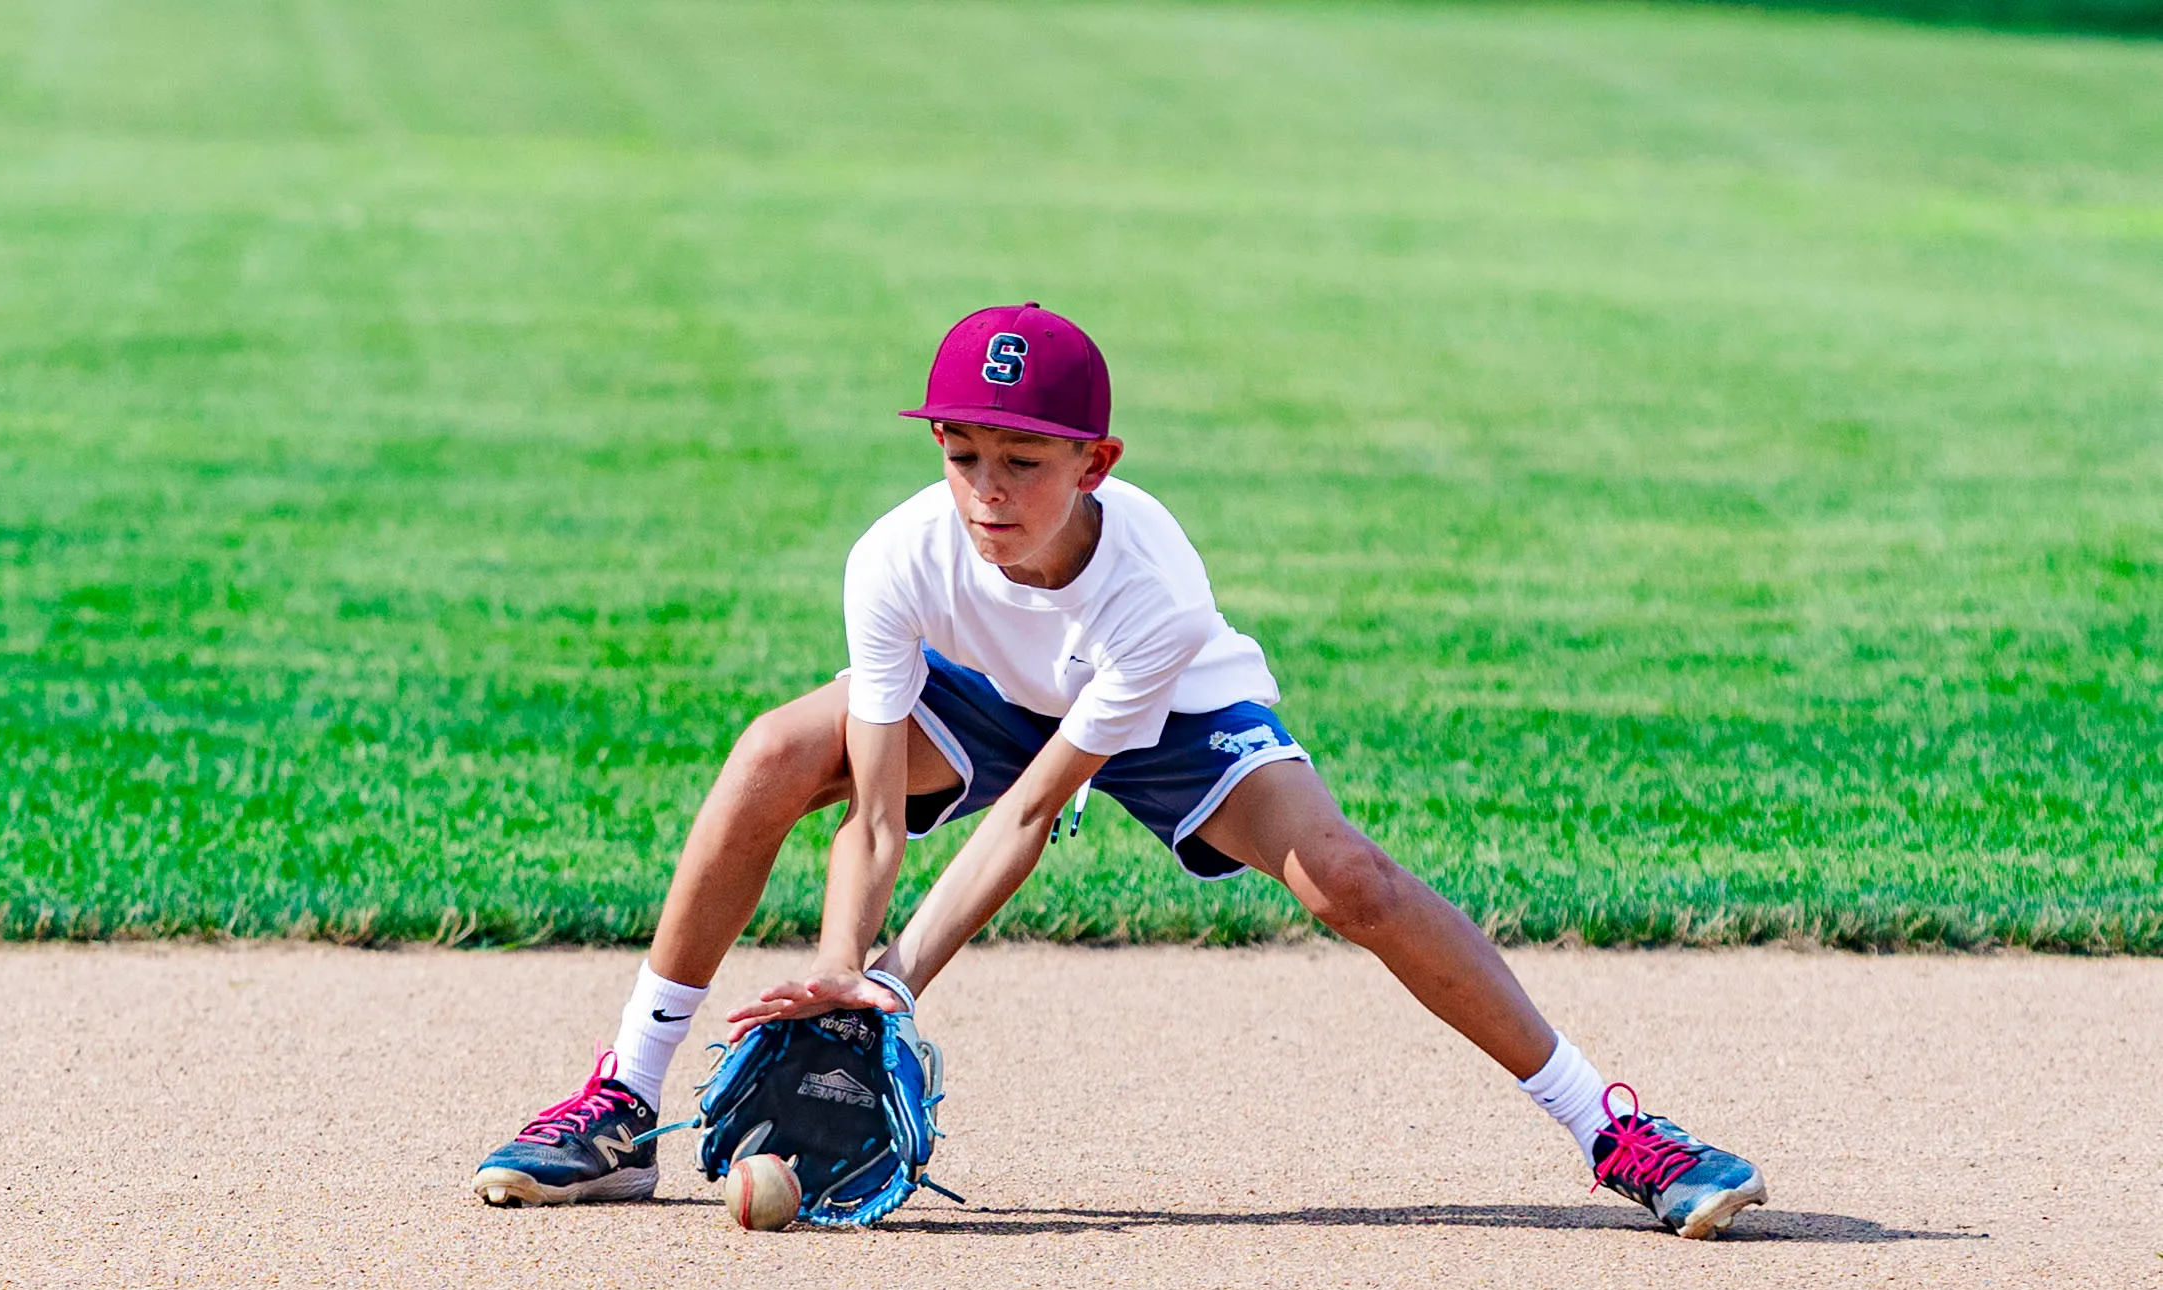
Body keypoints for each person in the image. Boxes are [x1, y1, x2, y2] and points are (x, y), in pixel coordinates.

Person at [471, 303, 1768, 1238]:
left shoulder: (1157, 588)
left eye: (1024, 461)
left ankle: (1617, 1130)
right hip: (983, 697)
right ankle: (623, 1106)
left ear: (1098, 461)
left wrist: (896, 984)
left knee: (1348, 879)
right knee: (773, 752)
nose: (987, 490)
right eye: (961, 452)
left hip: (1163, 708)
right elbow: (871, 814)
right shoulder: (898, 558)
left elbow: (1035, 807)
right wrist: (842, 987)